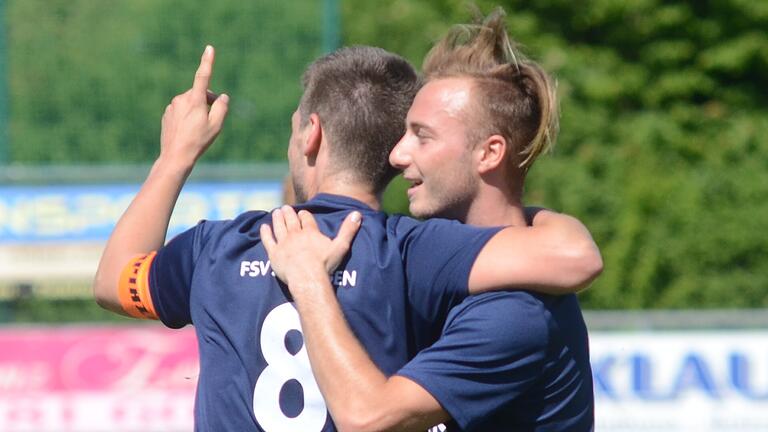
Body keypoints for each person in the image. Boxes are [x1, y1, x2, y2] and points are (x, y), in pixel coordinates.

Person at [93, 42, 601, 430]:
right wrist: (543, 216)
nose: (405, 154)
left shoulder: (218, 247)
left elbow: (114, 281)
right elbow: (571, 256)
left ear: (311, 134)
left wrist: (175, 156)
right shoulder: (410, 254)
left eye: (421, 137)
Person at [261, 8, 596, 432]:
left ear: (489, 153)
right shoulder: (427, 266)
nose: (398, 155)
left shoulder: (515, 313)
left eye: (422, 135)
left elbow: (368, 419)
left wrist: (309, 281)